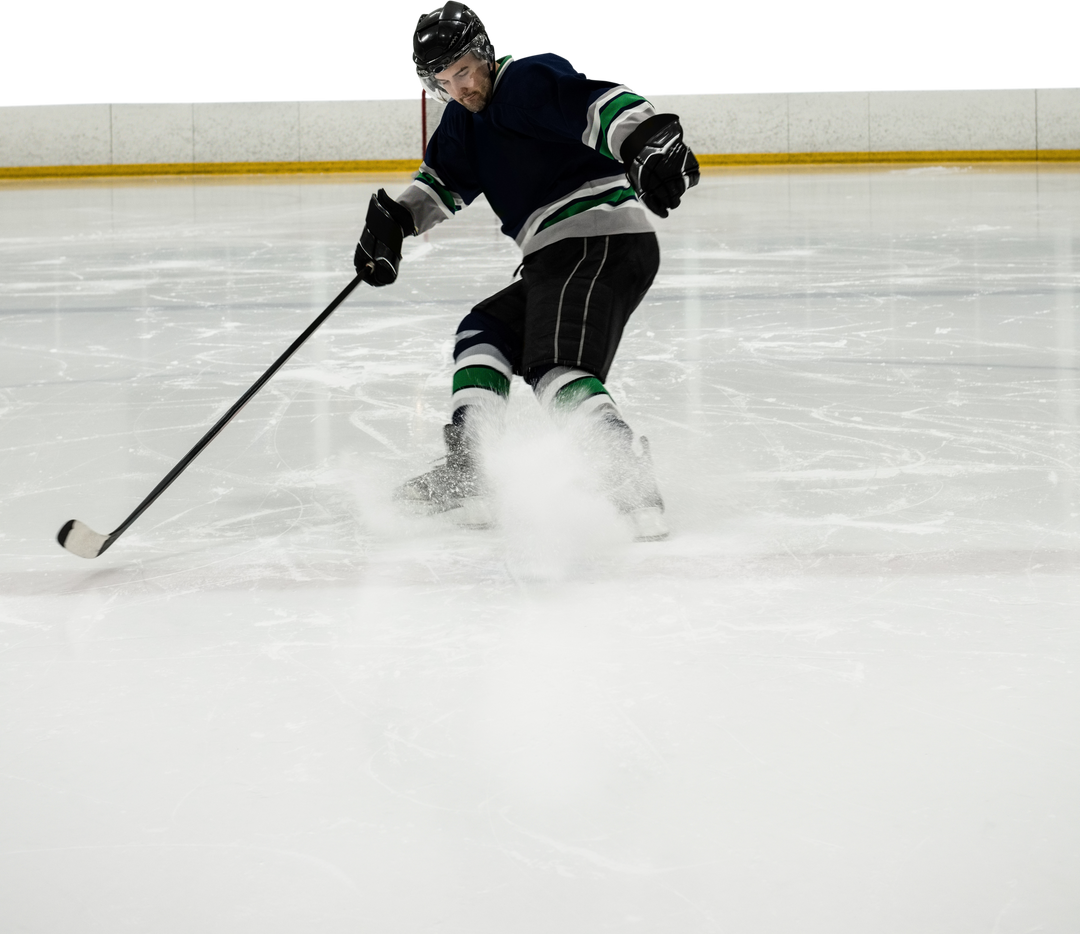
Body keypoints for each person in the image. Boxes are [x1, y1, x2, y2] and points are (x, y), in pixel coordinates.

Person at [354, 0, 699, 540]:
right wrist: (395, 223)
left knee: (554, 363)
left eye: (465, 70)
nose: (461, 88)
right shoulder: (463, 124)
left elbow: (601, 106)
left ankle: (624, 474)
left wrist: (644, 141)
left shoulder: (528, 78)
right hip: (554, 256)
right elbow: (439, 186)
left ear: (486, 52)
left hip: (599, 236)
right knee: (484, 333)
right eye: (446, 81)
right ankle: (471, 471)